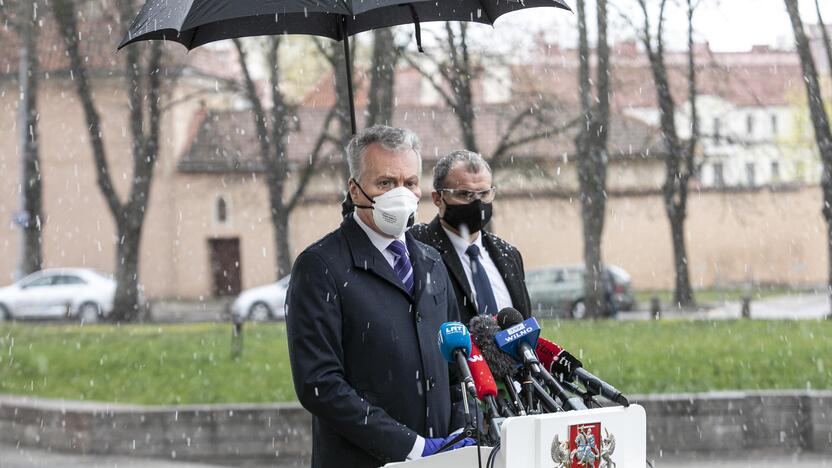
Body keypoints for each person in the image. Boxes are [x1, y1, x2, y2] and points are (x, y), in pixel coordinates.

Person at [286, 126, 473, 468]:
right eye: (385, 183)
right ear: (355, 191)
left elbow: (456, 364)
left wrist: (458, 435)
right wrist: (411, 447)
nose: (401, 194)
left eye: (410, 182)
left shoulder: (432, 263)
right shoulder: (321, 266)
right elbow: (320, 384)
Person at [411, 150, 532, 325]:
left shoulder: (509, 255)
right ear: (438, 198)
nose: (476, 203)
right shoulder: (416, 246)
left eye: (483, 194)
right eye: (465, 194)